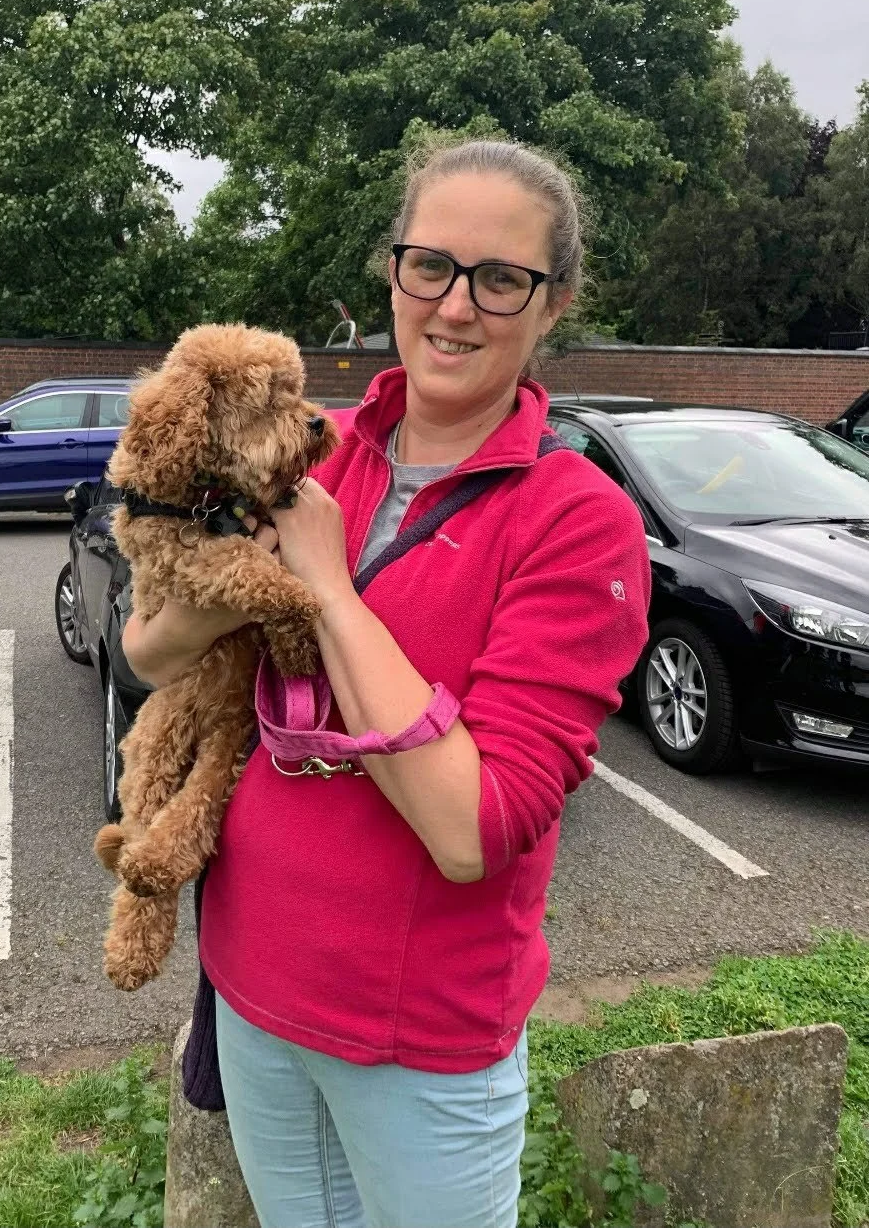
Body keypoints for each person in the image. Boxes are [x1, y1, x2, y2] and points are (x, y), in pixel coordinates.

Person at [122, 139, 651, 1228]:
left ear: (552, 304)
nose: (454, 307)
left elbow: (470, 828)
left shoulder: (575, 518)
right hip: (251, 989)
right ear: (392, 273)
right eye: (429, 266)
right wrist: (249, 580)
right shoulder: (316, 453)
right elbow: (151, 650)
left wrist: (321, 580)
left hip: (417, 1039)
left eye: (499, 278)